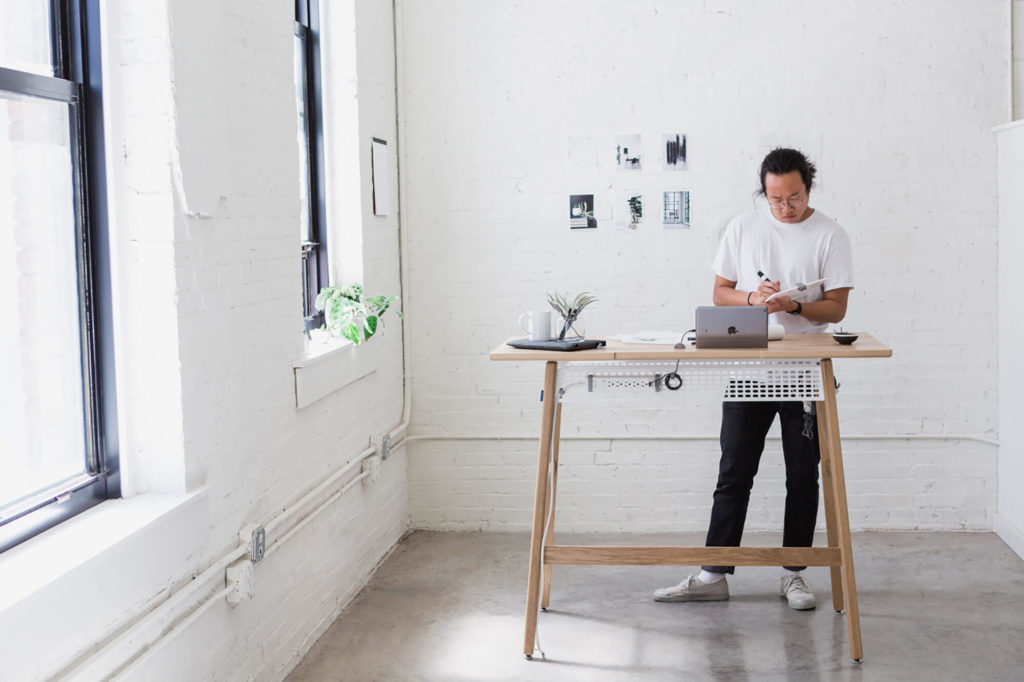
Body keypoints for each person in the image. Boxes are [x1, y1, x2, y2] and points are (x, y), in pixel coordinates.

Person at [653, 148, 854, 610]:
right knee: (734, 471)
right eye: (776, 199)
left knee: (803, 475)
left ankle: (794, 574)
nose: (786, 207)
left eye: (795, 197)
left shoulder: (831, 234)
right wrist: (751, 297)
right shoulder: (743, 228)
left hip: (803, 373)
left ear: (809, 188)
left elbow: (838, 308)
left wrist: (795, 305)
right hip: (748, 369)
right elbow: (720, 292)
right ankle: (713, 572)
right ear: (764, 192)